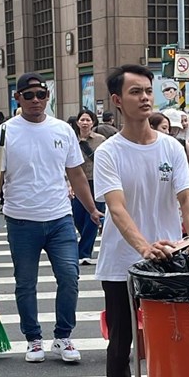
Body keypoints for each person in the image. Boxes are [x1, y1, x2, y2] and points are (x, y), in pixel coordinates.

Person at [94, 63, 189, 377]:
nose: (144, 98)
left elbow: (187, 198)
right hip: (122, 261)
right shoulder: (109, 152)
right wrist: (143, 247)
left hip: (169, 258)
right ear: (117, 100)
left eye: (147, 91)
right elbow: (117, 207)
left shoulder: (171, 148)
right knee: (122, 339)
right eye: (135, 92)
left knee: (171, 337)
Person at [0, 72, 101, 363]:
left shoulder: (62, 130)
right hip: (21, 220)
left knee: (69, 277)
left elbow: (77, 175)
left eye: (41, 95)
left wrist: (92, 208)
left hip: (59, 218)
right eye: (29, 95)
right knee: (25, 283)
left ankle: (63, 337)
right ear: (17, 98)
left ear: (48, 97)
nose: (36, 100)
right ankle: (33, 339)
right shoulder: (4, 133)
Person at [69, 111, 105, 265]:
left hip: (97, 181)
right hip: (77, 182)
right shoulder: (72, 140)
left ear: (93, 122)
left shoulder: (100, 140)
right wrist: (69, 184)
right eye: (82, 120)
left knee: (93, 217)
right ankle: (84, 247)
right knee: (78, 215)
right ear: (77, 122)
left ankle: (83, 252)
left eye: (88, 120)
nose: (85, 122)